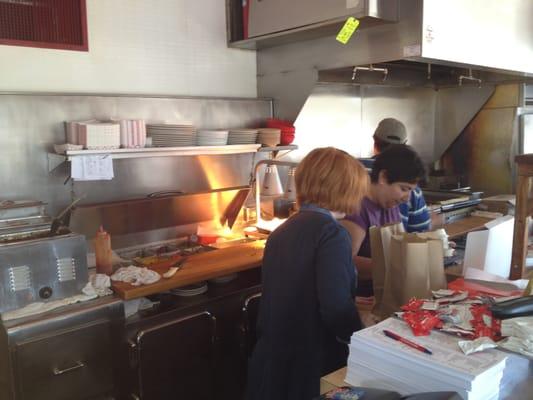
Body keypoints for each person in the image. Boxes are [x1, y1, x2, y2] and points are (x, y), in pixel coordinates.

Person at [246, 147, 368, 400]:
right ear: (345, 191)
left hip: (273, 357)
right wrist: (359, 338)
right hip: (311, 361)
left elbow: (296, 289)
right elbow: (334, 307)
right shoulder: (333, 234)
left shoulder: (281, 231)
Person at [342, 144, 426, 296]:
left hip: (387, 292)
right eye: (403, 188)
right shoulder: (357, 208)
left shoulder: (389, 203)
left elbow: (399, 243)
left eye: (410, 191)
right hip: (361, 298)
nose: (407, 198)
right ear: (383, 177)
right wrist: (390, 268)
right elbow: (345, 261)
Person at [361, 118, 431, 233]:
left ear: (375, 142)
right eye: (404, 189)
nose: (406, 196)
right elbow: (419, 236)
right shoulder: (411, 185)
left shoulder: (354, 171)